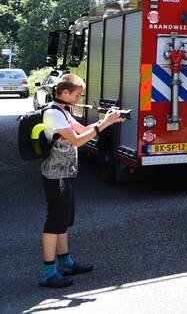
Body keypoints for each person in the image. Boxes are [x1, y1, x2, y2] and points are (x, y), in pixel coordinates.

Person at [37, 74, 123, 288]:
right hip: (56, 175)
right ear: (64, 92)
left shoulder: (63, 111)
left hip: (65, 173)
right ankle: (48, 272)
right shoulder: (52, 114)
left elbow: (83, 130)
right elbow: (77, 140)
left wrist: (107, 121)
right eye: (77, 94)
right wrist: (105, 124)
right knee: (54, 221)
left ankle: (66, 262)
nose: (78, 98)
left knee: (64, 219)